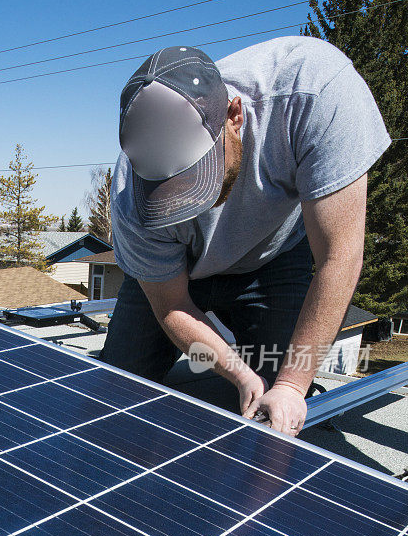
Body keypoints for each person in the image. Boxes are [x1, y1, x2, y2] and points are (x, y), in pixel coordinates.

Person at [100, 37, 390, 436]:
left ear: (235, 115)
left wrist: (290, 385)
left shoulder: (314, 91)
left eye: (197, 179)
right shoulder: (129, 196)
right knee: (116, 389)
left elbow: (339, 258)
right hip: (178, 273)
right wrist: (238, 375)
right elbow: (172, 307)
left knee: (278, 401)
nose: (191, 205)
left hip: (272, 259)